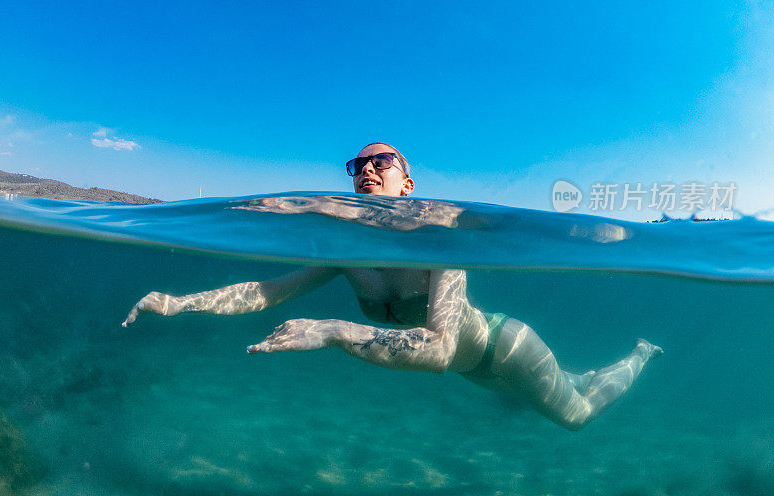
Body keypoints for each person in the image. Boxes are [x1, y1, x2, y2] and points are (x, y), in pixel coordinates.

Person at [122, 142, 662, 430]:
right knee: (567, 387)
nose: (367, 169)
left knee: (577, 416)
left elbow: (441, 348)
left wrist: (333, 330)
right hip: (477, 373)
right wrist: (178, 303)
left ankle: (637, 356)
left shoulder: (439, 246)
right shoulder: (348, 252)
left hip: (505, 349)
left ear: (407, 184)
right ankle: (586, 373)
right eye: (359, 164)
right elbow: (268, 291)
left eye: (383, 162)